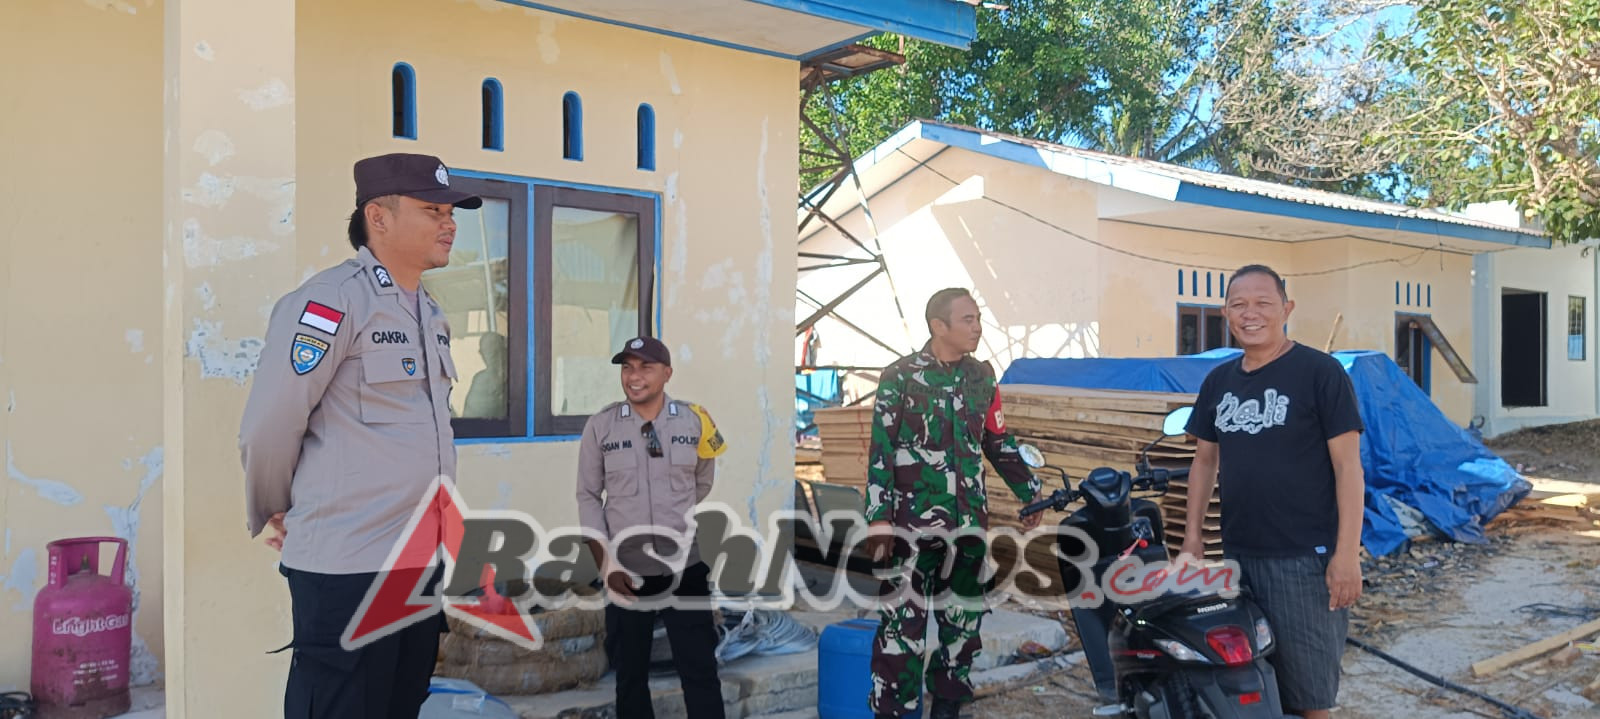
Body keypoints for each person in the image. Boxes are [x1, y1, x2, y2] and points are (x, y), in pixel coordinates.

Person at [239, 152, 481, 719]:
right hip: (349, 565)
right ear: (379, 216)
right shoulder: (330, 303)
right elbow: (271, 422)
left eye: (451, 212)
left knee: (401, 703)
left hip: (417, 561)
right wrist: (276, 507)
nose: (449, 223)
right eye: (432, 210)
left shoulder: (430, 314)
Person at [1179, 264, 1365, 719]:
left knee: (1310, 697)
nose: (1251, 314)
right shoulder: (1219, 382)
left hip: (1304, 558)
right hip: (1240, 555)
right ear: (1225, 312)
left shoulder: (1320, 373)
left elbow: (1348, 469)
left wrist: (1347, 555)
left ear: (1287, 308)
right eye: (1239, 305)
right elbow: (1204, 461)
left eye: (1263, 302)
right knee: (1254, 685)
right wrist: (1192, 538)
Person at [863, 288, 1043, 719]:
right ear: (937, 326)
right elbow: (881, 452)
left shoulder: (982, 378)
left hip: (967, 529)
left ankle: (947, 708)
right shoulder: (900, 376)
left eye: (978, 318)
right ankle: (895, 712)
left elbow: (996, 440)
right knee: (900, 633)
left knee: (962, 628)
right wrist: (877, 519)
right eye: (967, 319)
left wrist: (1030, 491)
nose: (977, 327)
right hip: (909, 528)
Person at [576, 336, 728, 719]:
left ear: (667, 373)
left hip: (685, 566)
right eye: (627, 367)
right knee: (629, 675)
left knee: (700, 670)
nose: (634, 376)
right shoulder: (601, 427)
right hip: (627, 569)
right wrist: (607, 566)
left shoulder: (696, 421)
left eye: (645, 367)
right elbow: (588, 497)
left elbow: (702, 482)